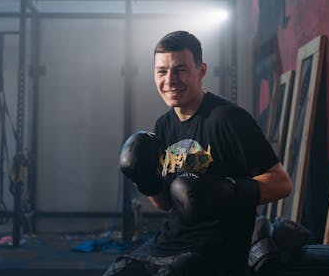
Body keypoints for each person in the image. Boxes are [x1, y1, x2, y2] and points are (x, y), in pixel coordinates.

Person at [107, 31, 293, 275]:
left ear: (201, 70)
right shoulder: (163, 126)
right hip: (170, 244)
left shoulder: (227, 119)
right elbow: (165, 204)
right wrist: (146, 179)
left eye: (180, 69)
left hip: (218, 250)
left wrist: (224, 191)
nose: (170, 80)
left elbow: (282, 184)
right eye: (162, 71)